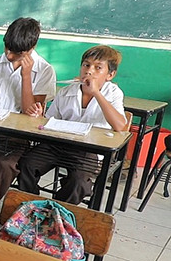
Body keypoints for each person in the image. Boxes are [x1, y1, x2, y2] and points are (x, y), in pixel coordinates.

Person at [18, 45, 128, 204]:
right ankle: (32, 205)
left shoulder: (113, 93)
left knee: (79, 182)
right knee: (26, 163)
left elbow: (120, 126)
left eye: (98, 68)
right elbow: (48, 121)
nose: (89, 71)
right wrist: (37, 116)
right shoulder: (66, 91)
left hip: (90, 150)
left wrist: (96, 92)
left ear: (110, 74)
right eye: (86, 65)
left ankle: (57, 210)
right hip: (59, 144)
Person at [0, 17, 57, 229]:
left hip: (19, 136)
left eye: (17, 53)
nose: (9, 55)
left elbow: (29, 111)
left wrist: (26, 76)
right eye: (7, 48)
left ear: (32, 48)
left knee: (5, 163)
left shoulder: (45, 71)